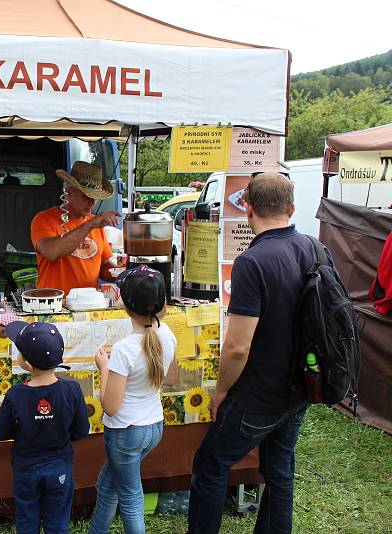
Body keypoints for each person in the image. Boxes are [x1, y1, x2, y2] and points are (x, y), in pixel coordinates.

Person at [187, 172, 324, 534]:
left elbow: (237, 347)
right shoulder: (314, 247)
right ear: (291, 208)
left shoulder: (252, 261)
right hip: (300, 388)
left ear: (246, 208)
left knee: (211, 465)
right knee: (280, 470)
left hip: (259, 395)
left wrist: (220, 391)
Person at [88, 265, 178, 534]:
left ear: (125, 307)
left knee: (130, 497)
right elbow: (170, 379)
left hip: (126, 433)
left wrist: (105, 368)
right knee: (107, 485)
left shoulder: (125, 350)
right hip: (153, 428)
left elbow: (111, 408)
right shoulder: (167, 334)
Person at [0, 321, 89, 534]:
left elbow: (0, 433)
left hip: (26, 471)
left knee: (27, 524)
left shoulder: (16, 394)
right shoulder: (72, 389)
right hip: (60, 469)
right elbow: (82, 431)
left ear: (27, 363)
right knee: (57, 525)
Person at [31, 161, 125, 295]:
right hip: (52, 305)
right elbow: (51, 252)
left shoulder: (96, 225)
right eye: (86, 196)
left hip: (87, 304)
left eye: (95, 197)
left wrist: (120, 272)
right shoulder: (43, 219)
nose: (92, 203)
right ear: (69, 192)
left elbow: (104, 267)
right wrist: (90, 224)